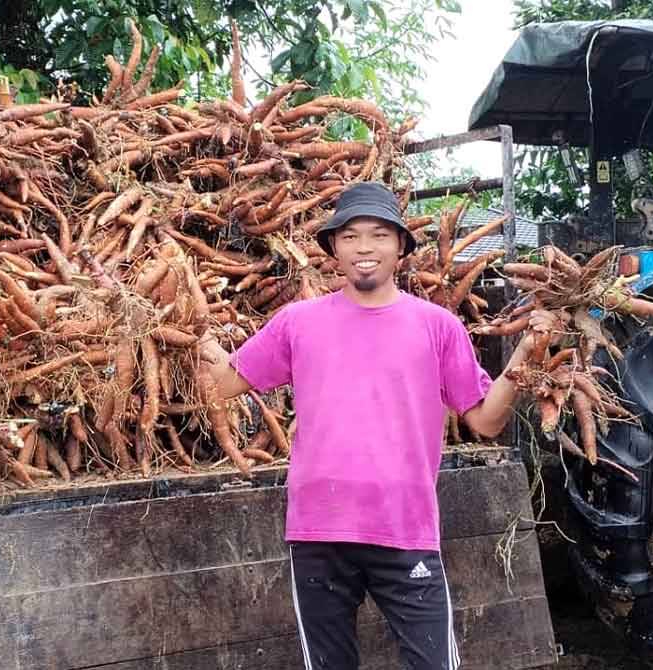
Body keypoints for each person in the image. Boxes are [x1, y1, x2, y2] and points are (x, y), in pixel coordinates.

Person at [200, 182, 559, 670]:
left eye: (378, 235)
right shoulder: (297, 323)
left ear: (401, 247)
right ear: (333, 247)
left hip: (404, 529)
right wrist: (190, 336)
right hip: (319, 533)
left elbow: (487, 421)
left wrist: (523, 358)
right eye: (349, 236)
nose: (363, 248)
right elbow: (221, 385)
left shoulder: (437, 326)